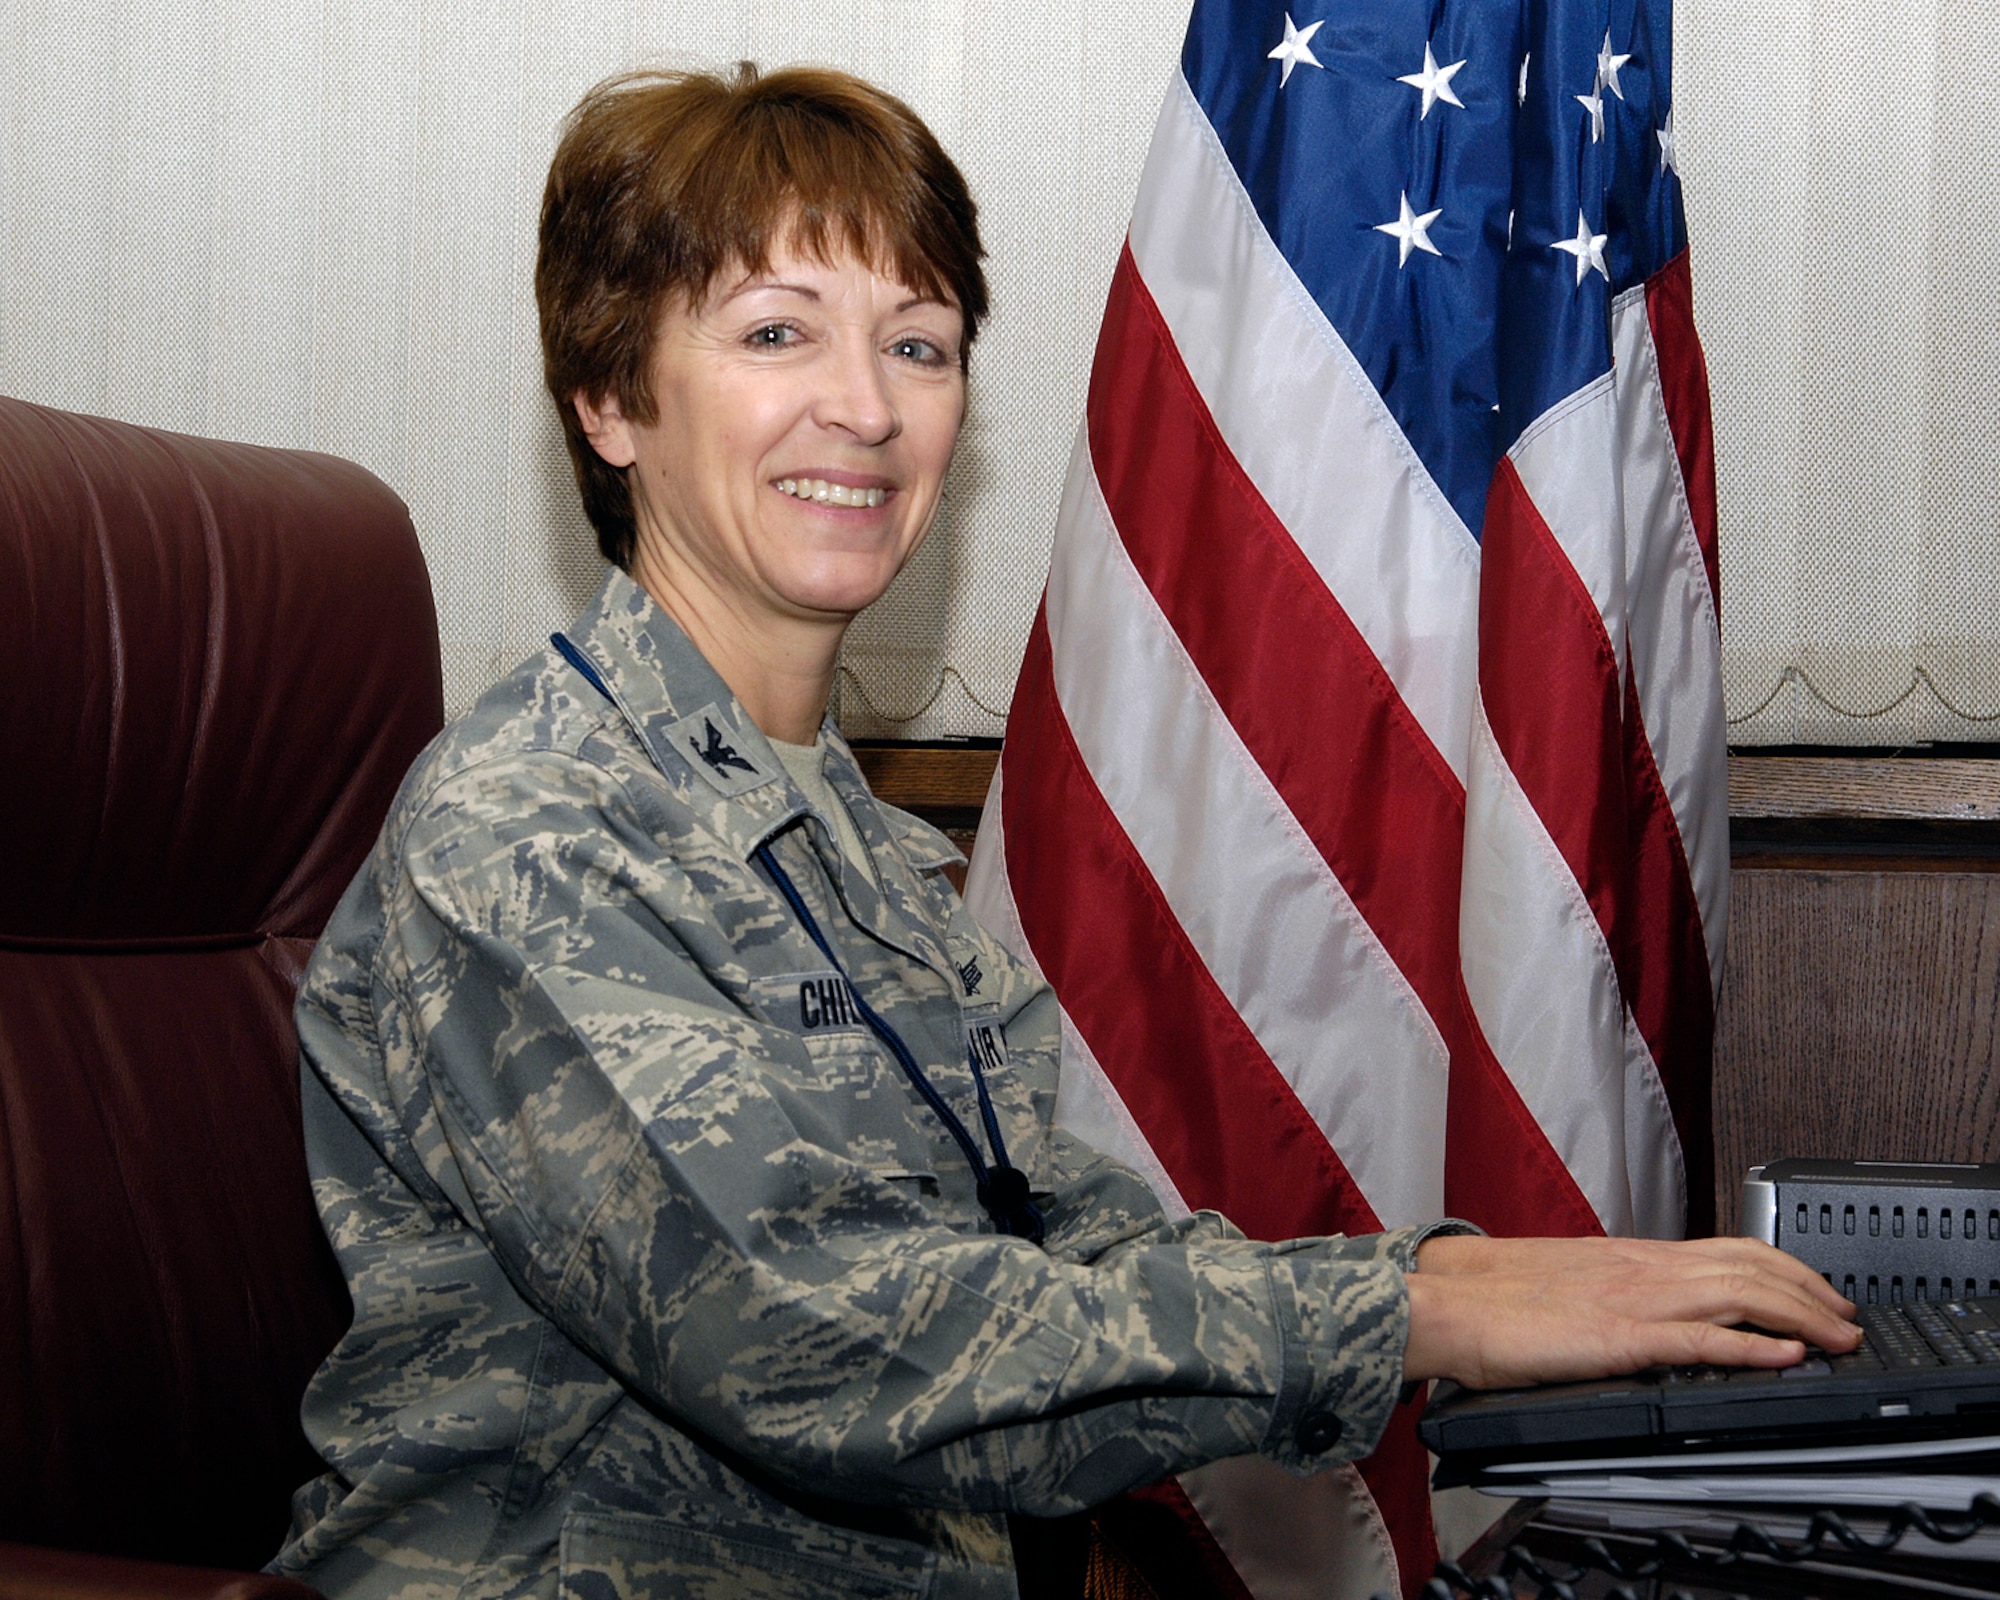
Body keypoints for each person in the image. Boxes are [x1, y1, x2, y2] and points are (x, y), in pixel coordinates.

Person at [270, 63, 1858, 1600]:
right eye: (775, 335)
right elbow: (815, 1339)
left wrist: (1463, 1274)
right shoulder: (536, 825)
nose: (865, 409)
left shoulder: (858, 850)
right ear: (613, 399)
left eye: (921, 344)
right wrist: (1421, 1311)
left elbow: (1061, 1247)